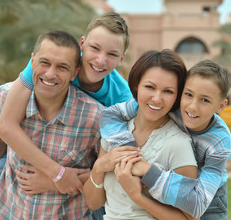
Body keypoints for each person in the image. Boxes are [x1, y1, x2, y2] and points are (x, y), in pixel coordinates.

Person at [0, 11, 135, 218]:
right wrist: (56, 172)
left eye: (111, 54)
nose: (101, 60)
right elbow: (3, 128)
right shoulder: (53, 60)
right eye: (95, 48)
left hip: (78, 161)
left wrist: (54, 181)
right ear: (82, 43)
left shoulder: (121, 100)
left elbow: (109, 166)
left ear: (121, 58)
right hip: (23, 151)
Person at [97, 59, 231, 219]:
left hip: (210, 201)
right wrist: (130, 152)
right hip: (178, 182)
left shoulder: (220, 142)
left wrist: (147, 171)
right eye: (188, 94)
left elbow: (198, 202)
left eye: (205, 100)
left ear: (220, 106)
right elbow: (110, 114)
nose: (192, 106)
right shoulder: (169, 108)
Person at [83, 49, 198, 220]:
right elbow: (93, 203)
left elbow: (190, 218)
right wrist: (100, 166)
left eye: (168, 91)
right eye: (150, 87)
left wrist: (137, 196)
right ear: (137, 85)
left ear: (177, 96)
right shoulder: (115, 132)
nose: (157, 98)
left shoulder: (178, 144)